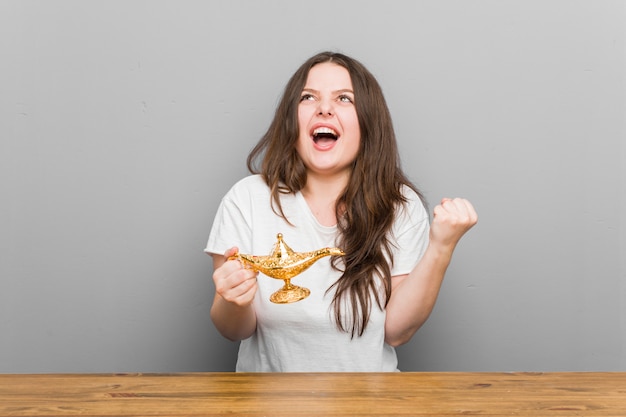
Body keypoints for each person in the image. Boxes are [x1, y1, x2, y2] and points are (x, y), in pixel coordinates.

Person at [205, 51, 477, 372]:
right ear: (292, 118)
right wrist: (231, 298)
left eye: (344, 99)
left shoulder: (400, 205)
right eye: (308, 97)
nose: (324, 108)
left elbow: (397, 331)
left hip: (369, 404)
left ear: (368, 121)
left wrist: (441, 247)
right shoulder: (247, 198)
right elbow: (234, 329)